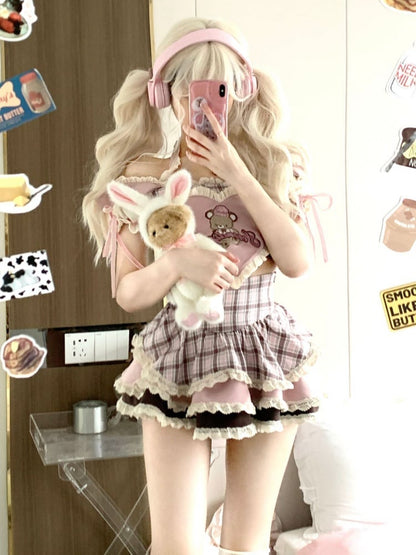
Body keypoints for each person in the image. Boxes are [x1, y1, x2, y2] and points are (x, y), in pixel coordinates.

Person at [83, 17, 320, 555]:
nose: (208, 108)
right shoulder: (144, 177)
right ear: (165, 95)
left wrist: (237, 172)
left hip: (264, 352)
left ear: (242, 89)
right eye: (193, 92)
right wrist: (176, 265)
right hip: (179, 351)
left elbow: (297, 262)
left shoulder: (272, 167)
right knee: (176, 548)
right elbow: (128, 293)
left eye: (220, 90)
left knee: (247, 544)